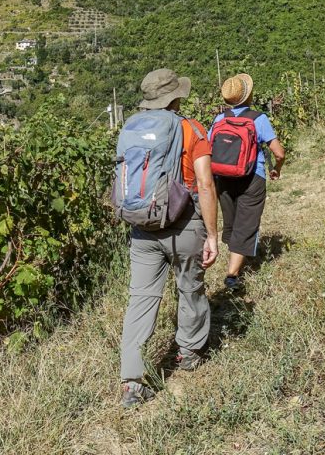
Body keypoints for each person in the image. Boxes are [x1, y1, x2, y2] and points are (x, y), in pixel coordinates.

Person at [119, 68, 219, 407]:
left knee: (141, 298)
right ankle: (188, 351)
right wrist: (214, 235)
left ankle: (132, 381)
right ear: (176, 97)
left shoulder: (131, 127)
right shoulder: (191, 129)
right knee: (189, 286)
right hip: (184, 221)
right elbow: (205, 184)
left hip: (142, 225)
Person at [209, 73, 286, 291]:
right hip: (252, 176)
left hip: (222, 177)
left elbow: (207, 148)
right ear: (248, 95)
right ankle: (232, 275)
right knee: (247, 222)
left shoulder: (219, 120)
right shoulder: (258, 118)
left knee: (232, 221)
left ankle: (234, 251)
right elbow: (279, 153)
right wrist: (276, 169)